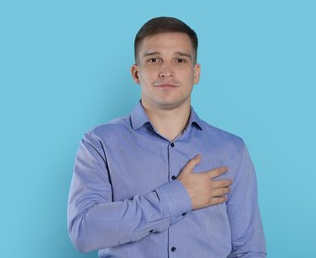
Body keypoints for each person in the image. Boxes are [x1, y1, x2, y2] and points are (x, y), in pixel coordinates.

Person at [67, 16, 266, 257]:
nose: (166, 71)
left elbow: (248, 249)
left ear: (195, 73)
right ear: (136, 72)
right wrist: (180, 196)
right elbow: (85, 231)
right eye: (154, 60)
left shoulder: (232, 150)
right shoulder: (99, 143)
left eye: (179, 60)